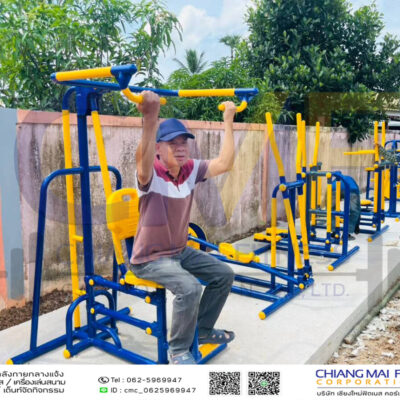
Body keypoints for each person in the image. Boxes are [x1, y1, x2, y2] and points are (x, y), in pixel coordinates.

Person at [129, 91, 237, 364]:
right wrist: (150, 117)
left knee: (224, 274)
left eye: (183, 142)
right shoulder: (150, 174)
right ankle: (177, 351)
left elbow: (225, 163)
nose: (180, 148)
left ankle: (203, 330)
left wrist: (228, 120)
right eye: (171, 143)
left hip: (179, 251)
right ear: (158, 148)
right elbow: (141, 162)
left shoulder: (189, 169)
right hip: (149, 259)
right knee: (189, 288)